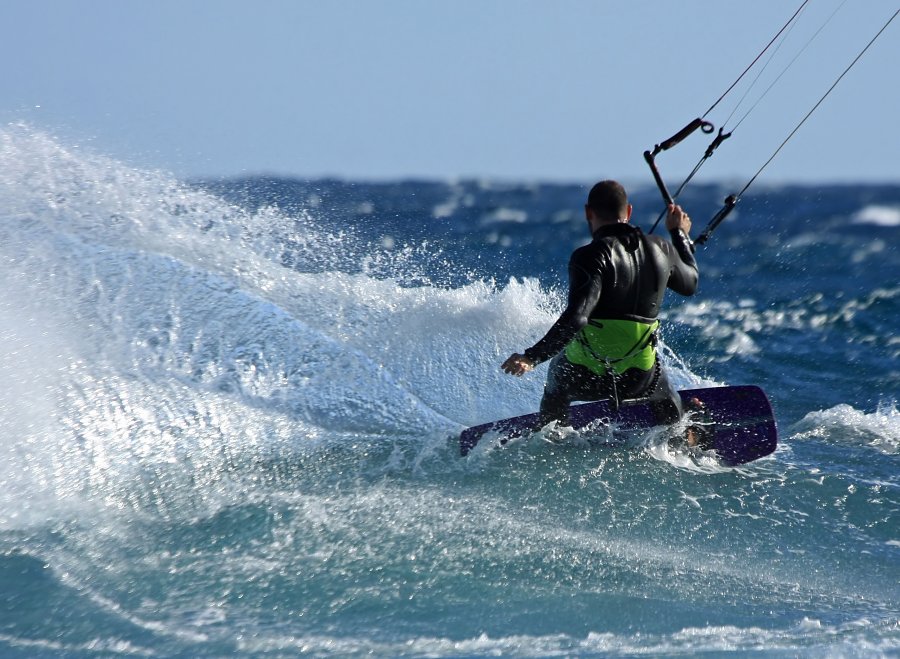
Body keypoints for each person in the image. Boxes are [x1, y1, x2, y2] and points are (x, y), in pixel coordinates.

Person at [501, 179, 698, 429]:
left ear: (588, 213)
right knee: (659, 378)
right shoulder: (661, 248)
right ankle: (678, 429)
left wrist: (532, 357)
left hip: (585, 378)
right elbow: (690, 283)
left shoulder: (588, 255)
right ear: (628, 212)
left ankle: (552, 435)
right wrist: (680, 235)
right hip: (637, 380)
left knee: (556, 375)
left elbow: (578, 317)